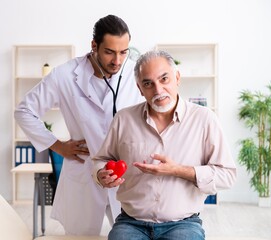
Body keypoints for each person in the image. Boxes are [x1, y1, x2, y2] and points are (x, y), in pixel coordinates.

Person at [14, 15, 144, 235]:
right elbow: (24, 110)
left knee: (131, 234)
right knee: (79, 238)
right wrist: (56, 145)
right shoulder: (64, 76)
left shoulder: (135, 74)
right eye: (109, 52)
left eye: (124, 52)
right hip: (84, 171)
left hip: (124, 174)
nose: (117, 61)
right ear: (94, 46)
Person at [92, 50, 237, 240]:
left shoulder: (205, 119)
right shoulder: (123, 119)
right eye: (148, 83)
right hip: (131, 223)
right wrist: (101, 175)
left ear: (177, 78)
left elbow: (227, 175)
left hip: (183, 224)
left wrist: (178, 170)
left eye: (164, 79)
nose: (158, 90)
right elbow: (101, 160)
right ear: (139, 88)